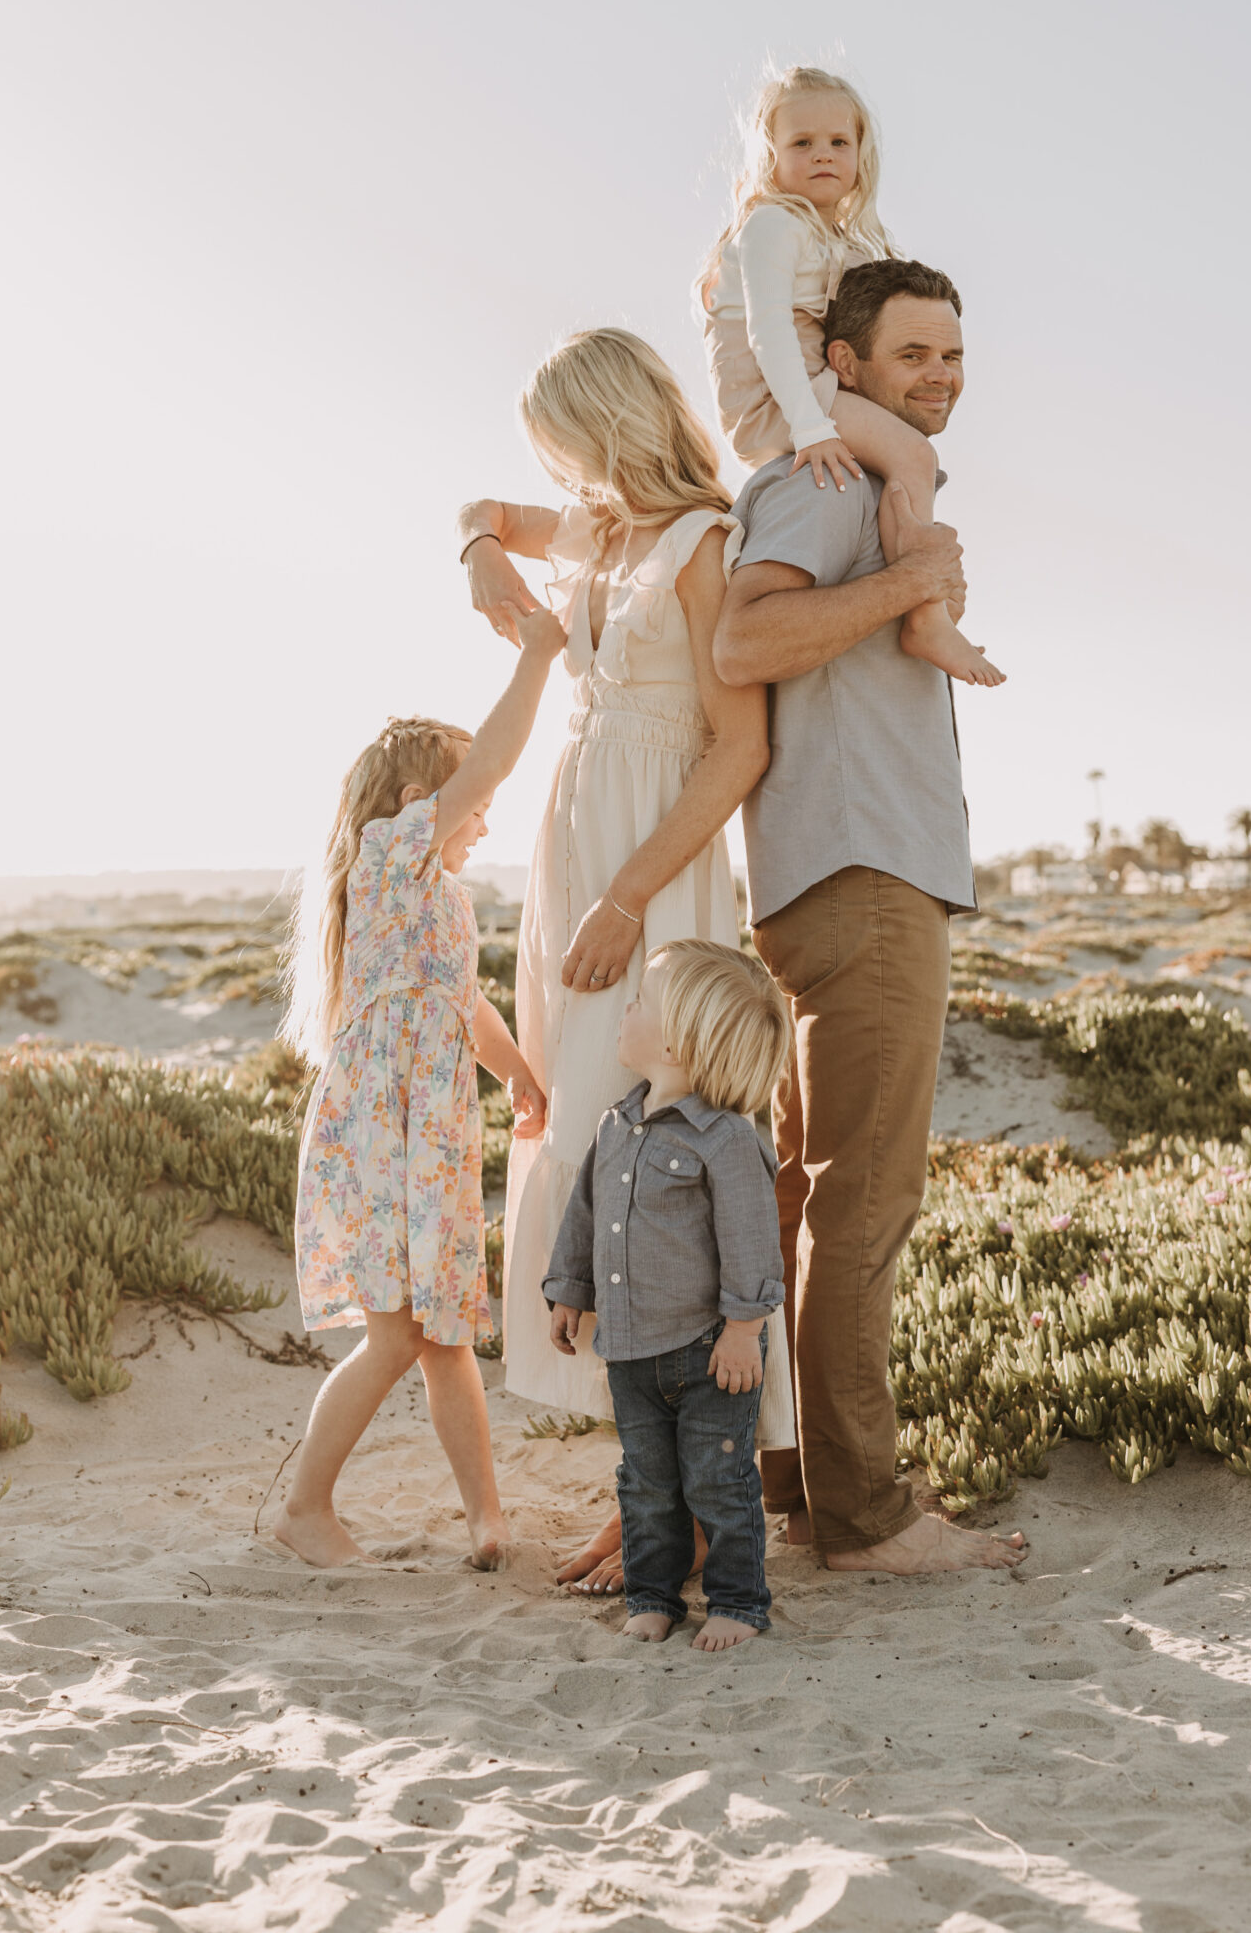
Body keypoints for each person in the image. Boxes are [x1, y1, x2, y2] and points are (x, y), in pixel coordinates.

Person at [457, 325, 792, 1594]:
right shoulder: (594, 531)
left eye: (569, 445)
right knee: (589, 1146)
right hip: (574, 847)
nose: (562, 472)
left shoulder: (706, 543)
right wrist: (480, 549)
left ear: (613, 425)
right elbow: (479, 507)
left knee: (669, 1164)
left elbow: (738, 749)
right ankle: (648, 1485)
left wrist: (629, 896)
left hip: (654, 866)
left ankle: (700, 1502)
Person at [713, 257, 1027, 1579]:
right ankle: (862, 1517)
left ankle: (800, 1479)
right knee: (863, 1204)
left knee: (810, 1200)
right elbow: (746, 643)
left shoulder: (856, 481)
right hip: (861, 877)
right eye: (911, 354)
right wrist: (906, 591)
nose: (937, 376)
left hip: (831, 873)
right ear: (839, 365)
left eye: (950, 354)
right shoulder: (823, 479)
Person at [274, 618, 563, 1569]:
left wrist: (518, 1074)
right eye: (470, 803)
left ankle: (487, 1518)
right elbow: (490, 768)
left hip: (426, 1132)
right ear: (416, 803)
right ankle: (304, 1507)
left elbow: (463, 1002)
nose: (485, 819)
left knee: (443, 1336)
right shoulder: (393, 857)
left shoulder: (440, 893)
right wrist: (537, 656)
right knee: (397, 1338)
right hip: (380, 1135)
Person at [699, 65, 1001, 688]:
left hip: (806, 386)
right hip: (773, 394)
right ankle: (926, 614)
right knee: (914, 456)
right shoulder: (771, 225)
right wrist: (811, 428)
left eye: (839, 142)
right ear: (770, 157)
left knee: (902, 459)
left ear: (862, 152)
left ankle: (922, 587)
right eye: (801, 144)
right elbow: (769, 336)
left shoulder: (842, 237)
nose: (823, 156)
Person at [544, 940, 791, 1651]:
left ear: (679, 1042)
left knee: (719, 1483)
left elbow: (749, 1239)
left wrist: (744, 1330)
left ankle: (737, 1603)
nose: (627, 1008)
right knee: (646, 1485)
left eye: (642, 1001)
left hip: (710, 1352)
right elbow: (584, 1215)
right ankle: (654, 1596)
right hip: (629, 1349)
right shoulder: (615, 1125)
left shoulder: (724, 1141)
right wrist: (569, 1290)